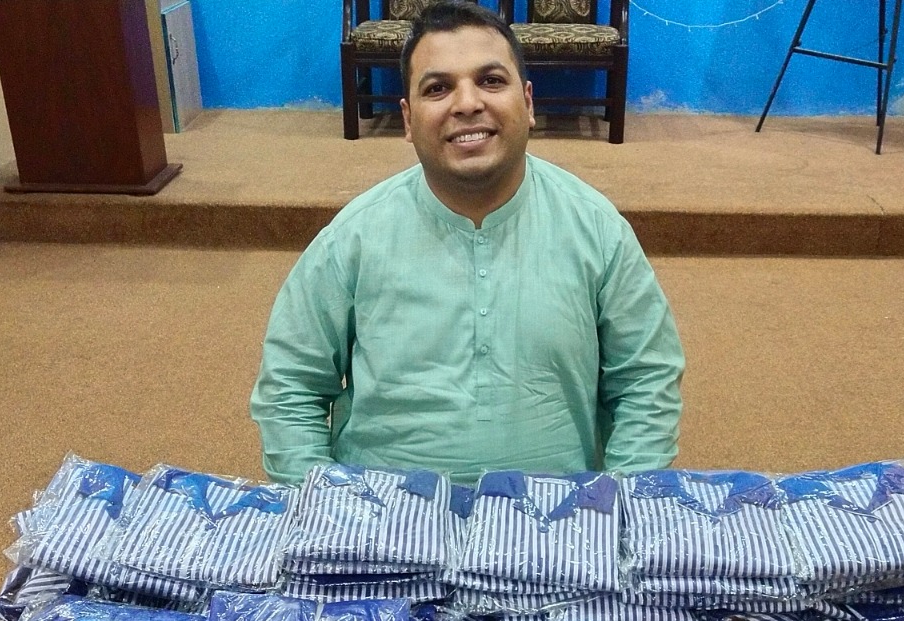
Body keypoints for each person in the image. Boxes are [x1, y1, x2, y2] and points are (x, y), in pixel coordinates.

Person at [250, 0, 684, 485]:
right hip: (382, 520)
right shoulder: (353, 237)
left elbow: (646, 380)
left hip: (559, 517)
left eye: (491, 81)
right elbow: (290, 386)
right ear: (408, 119)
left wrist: (619, 502)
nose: (467, 104)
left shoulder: (597, 229)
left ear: (529, 103)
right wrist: (326, 507)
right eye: (438, 88)